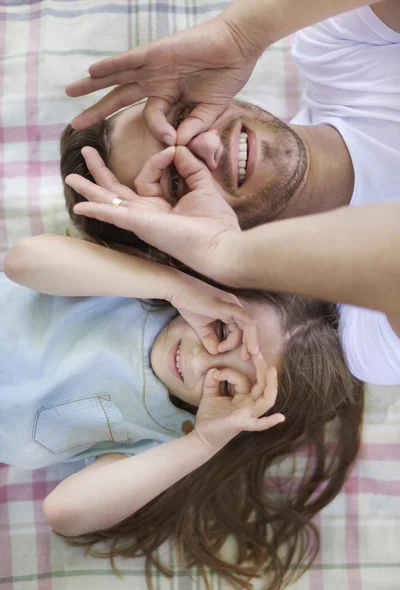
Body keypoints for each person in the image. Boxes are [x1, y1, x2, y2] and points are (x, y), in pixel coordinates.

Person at [3, 230, 362, 590]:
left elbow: (64, 512)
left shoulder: (170, 435)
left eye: (227, 384)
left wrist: (203, 442)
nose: (199, 361)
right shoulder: (139, 292)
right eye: (223, 331)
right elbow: (22, 261)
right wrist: (174, 286)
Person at [63, 0, 400, 385]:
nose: (206, 144)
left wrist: (241, 33)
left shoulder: (338, 50)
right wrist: (222, 252)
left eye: (183, 118)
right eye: (177, 181)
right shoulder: (366, 335)